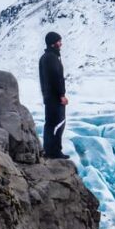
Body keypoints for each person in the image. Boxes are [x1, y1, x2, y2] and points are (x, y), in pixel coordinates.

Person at [39, 31, 70, 159]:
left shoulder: (45, 57)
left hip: (49, 97)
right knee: (58, 123)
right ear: (53, 43)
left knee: (50, 124)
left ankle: (49, 150)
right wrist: (61, 95)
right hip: (55, 98)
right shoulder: (52, 58)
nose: (61, 43)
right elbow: (56, 78)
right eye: (58, 41)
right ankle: (55, 152)